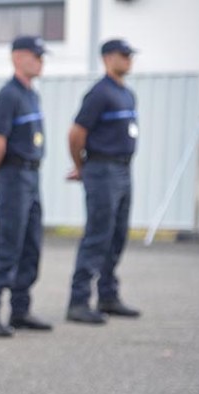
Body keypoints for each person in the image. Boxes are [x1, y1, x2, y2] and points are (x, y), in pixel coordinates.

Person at [0, 36, 53, 337]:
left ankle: (20, 310)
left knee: (31, 245)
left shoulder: (31, 95)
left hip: (32, 176)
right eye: (36, 55)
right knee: (9, 246)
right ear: (19, 58)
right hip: (13, 175)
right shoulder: (8, 96)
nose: (41, 61)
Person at [66, 39, 142, 325]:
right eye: (124, 55)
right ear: (108, 58)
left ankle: (108, 295)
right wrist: (80, 166)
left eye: (130, 55)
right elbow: (76, 134)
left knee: (117, 235)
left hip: (123, 169)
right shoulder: (99, 94)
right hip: (102, 169)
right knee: (98, 235)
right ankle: (78, 300)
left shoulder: (127, 94)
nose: (129, 60)